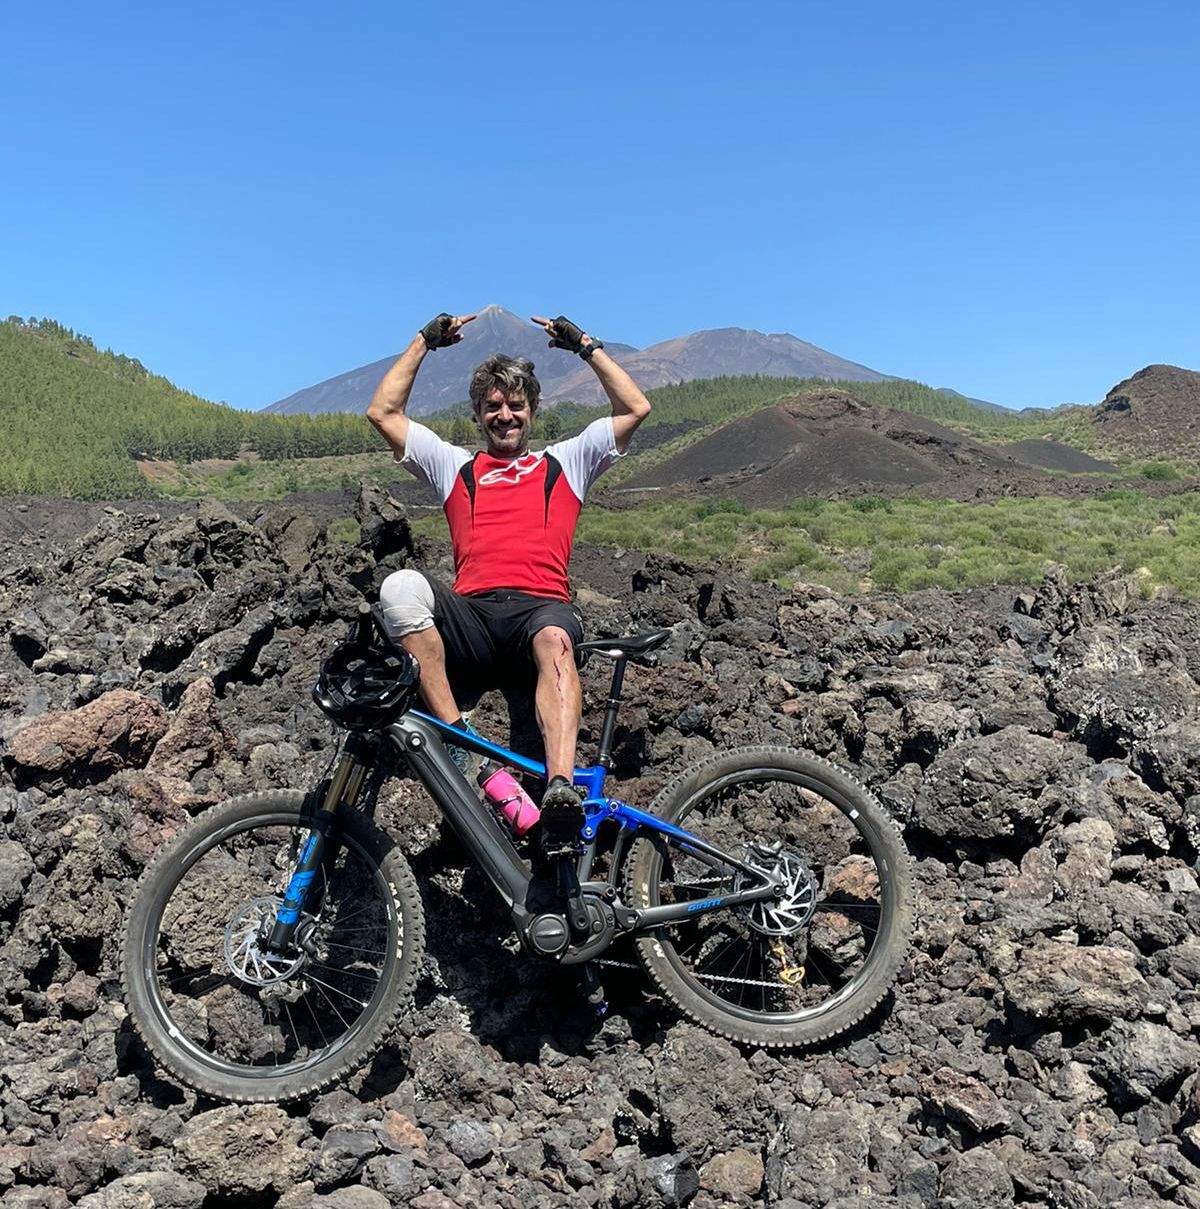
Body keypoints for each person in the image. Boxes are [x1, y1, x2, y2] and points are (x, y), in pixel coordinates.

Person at [366, 311, 651, 847]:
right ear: (477, 413)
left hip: (540, 612)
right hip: (472, 620)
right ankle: (462, 745)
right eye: (493, 406)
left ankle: (561, 789)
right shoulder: (454, 466)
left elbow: (635, 407)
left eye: (515, 405)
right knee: (399, 588)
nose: (505, 416)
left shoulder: (565, 462)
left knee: (555, 639)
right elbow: (382, 410)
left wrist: (584, 346)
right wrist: (424, 342)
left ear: (532, 411)